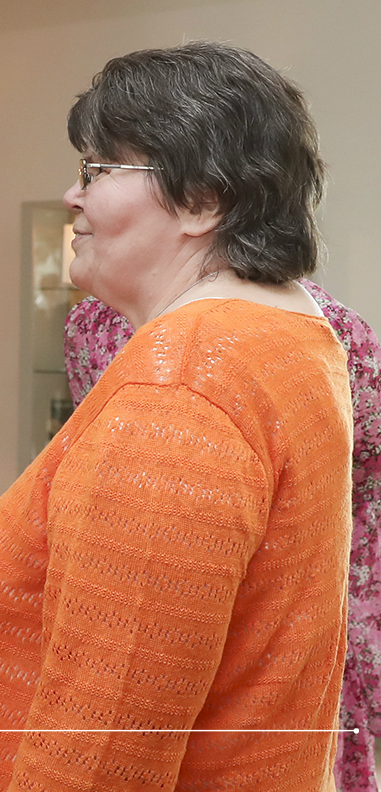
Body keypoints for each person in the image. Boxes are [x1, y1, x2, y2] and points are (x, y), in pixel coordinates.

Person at [0, 42, 353, 791]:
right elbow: (175, 611)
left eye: (96, 171)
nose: (71, 196)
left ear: (203, 200)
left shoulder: (182, 394)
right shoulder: (289, 338)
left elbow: (102, 756)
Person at [64, 288, 381, 792]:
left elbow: (358, 492)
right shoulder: (95, 323)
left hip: (273, 634)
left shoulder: (332, 332)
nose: (73, 203)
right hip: (135, 616)